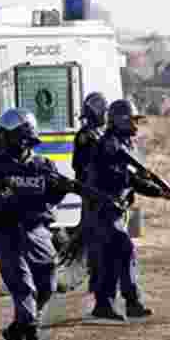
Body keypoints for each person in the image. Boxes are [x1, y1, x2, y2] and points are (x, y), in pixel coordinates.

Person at [0, 108, 75, 340]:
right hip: (6, 232)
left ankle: (17, 328)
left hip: (37, 231)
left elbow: (50, 198)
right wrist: (3, 193)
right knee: (23, 287)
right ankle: (31, 339)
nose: (3, 139)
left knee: (47, 284)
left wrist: (62, 189)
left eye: (7, 135)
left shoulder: (43, 166)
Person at [85, 99, 170, 320]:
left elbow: (134, 180)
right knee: (124, 250)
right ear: (120, 121)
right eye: (132, 120)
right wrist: (154, 189)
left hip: (121, 208)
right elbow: (121, 178)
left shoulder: (126, 144)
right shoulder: (108, 145)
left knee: (113, 255)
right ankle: (128, 302)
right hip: (103, 208)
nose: (136, 125)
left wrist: (157, 189)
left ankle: (107, 304)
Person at [71, 92, 108, 290]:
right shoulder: (85, 135)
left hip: (104, 192)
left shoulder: (102, 133)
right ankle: (95, 279)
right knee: (93, 236)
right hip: (91, 192)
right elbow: (79, 165)